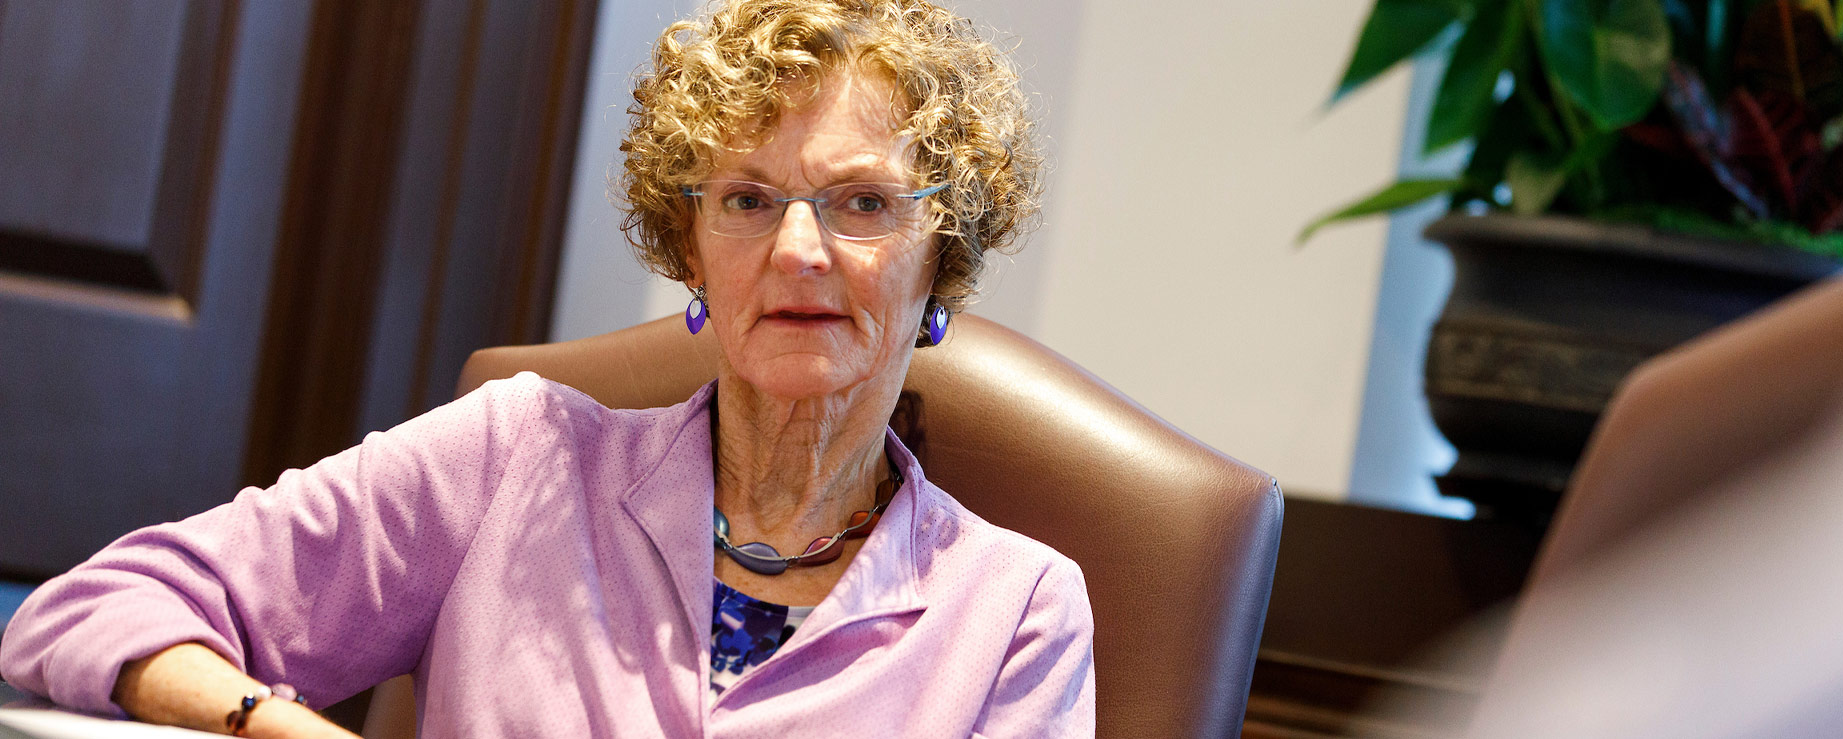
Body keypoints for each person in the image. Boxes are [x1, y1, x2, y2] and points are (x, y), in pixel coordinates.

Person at [0, 0, 1093, 736]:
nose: (799, 250)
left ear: (940, 253)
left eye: (863, 203)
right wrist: (272, 721)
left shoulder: (1018, 612)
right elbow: (91, 607)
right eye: (749, 200)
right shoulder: (514, 459)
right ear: (693, 251)